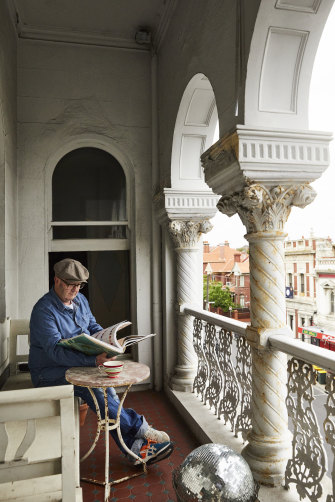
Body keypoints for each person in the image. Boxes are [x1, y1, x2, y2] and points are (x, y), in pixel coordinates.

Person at [29, 258, 173, 465]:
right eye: (70, 284)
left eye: (79, 285)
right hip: (49, 372)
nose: (75, 290)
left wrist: (108, 341)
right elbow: (54, 352)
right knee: (95, 391)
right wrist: (94, 360)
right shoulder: (44, 310)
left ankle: (135, 449)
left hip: (79, 365)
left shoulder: (81, 301)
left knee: (108, 391)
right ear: (57, 280)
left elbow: (93, 325)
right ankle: (140, 430)